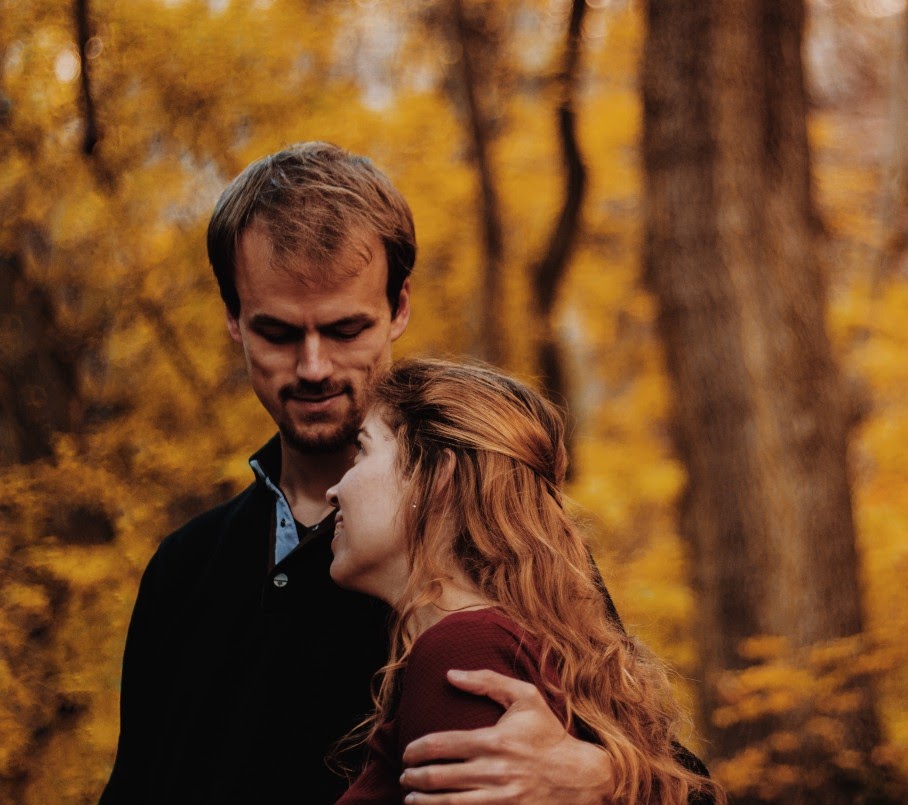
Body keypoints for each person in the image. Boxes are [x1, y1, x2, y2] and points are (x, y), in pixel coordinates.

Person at [101, 142, 615, 803]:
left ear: (399, 307)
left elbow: (679, 774)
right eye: (280, 333)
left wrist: (592, 775)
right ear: (233, 317)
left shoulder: (493, 539)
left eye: (345, 329)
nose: (314, 366)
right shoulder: (184, 566)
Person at [327, 358, 723, 804]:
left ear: (437, 476)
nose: (334, 489)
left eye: (362, 449)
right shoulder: (501, 641)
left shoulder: (463, 651)